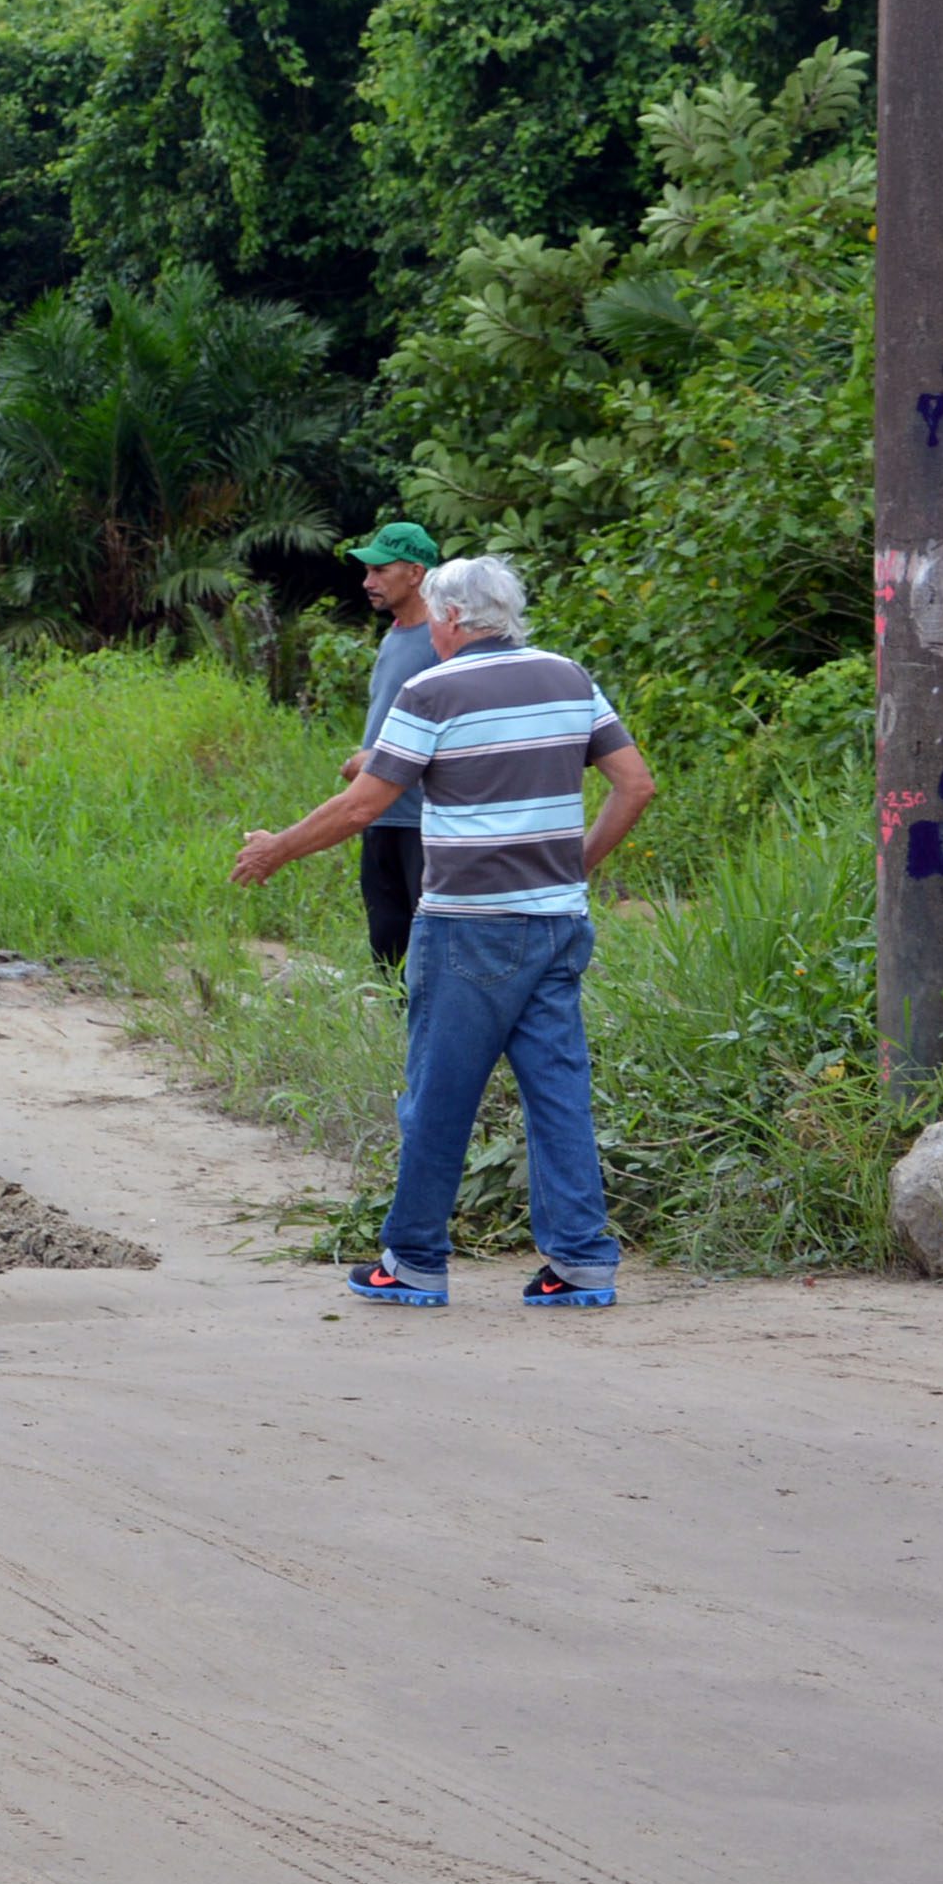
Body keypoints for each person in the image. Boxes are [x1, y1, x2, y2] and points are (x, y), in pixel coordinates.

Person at [230, 554, 657, 1310]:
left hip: (467, 928)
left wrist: (275, 849)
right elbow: (635, 783)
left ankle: (416, 1259)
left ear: (453, 618)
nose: (428, 628)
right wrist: (574, 865)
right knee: (558, 1094)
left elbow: (361, 807)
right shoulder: (567, 675)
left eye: (432, 613)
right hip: (557, 923)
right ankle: (584, 1263)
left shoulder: (429, 690)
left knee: (436, 1095)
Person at [339, 521, 444, 968]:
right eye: (367, 572)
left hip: (425, 821)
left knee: (429, 950)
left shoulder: (446, 640)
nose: (368, 582)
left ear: (416, 573)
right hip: (381, 815)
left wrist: (375, 760)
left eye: (380, 570)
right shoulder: (395, 634)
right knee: (387, 947)